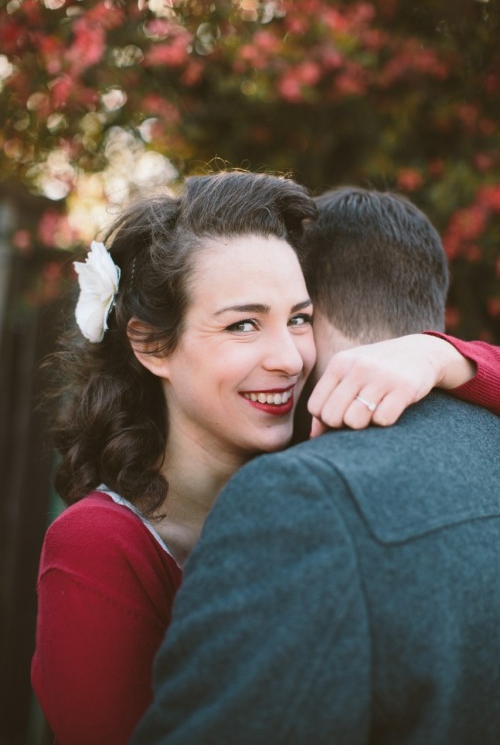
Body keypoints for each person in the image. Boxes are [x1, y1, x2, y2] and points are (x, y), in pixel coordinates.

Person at [33, 173, 497, 744]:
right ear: (153, 345)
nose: (288, 359)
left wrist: (436, 354)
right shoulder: (96, 544)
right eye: (243, 324)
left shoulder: (312, 469)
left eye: (299, 319)